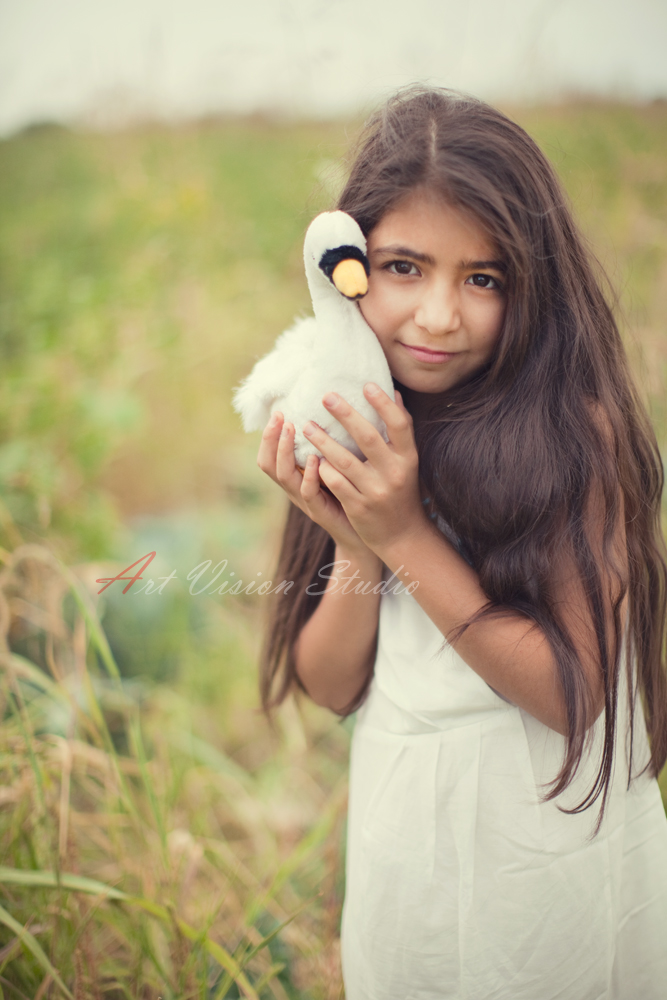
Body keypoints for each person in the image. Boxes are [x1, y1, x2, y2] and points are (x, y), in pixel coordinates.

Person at [253, 87, 667, 999]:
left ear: (530, 286)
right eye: (404, 267)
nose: (438, 316)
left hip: (544, 831)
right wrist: (359, 545)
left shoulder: (569, 437)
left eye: (482, 279)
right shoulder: (351, 413)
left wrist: (402, 532)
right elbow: (327, 685)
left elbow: (572, 695)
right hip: (406, 828)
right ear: (351, 263)